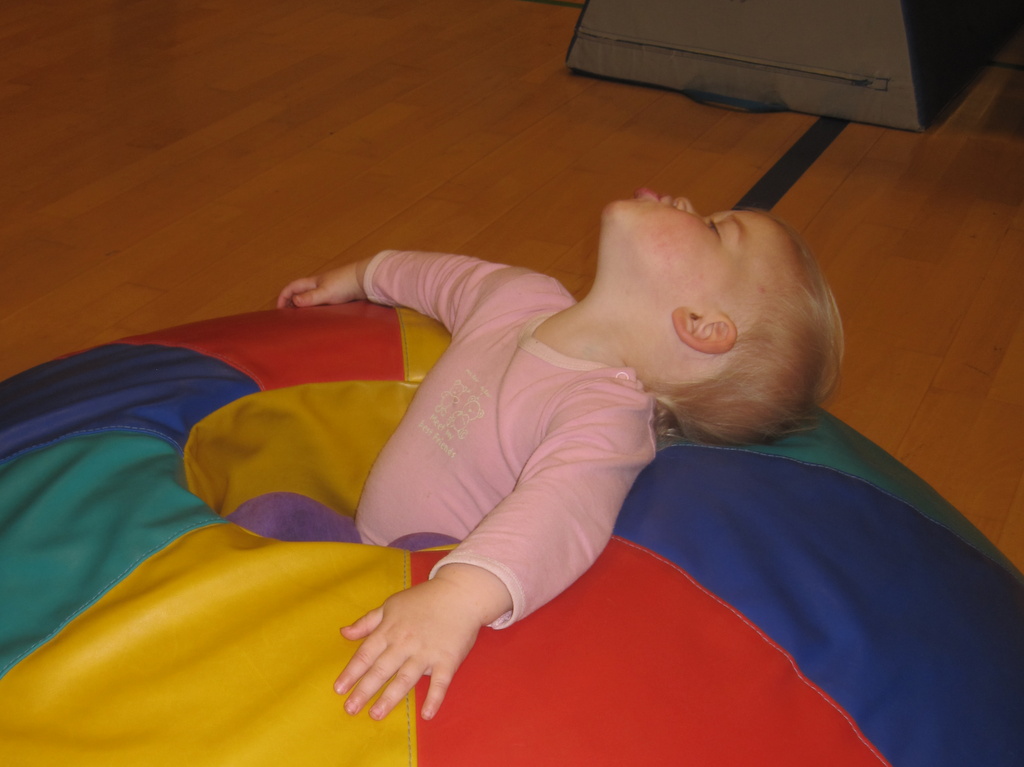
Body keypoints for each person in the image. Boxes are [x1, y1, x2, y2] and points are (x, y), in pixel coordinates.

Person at [274, 188, 843, 722]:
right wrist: (362, 276)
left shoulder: (604, 413)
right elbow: (440, 278)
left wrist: (456, 598)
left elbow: (563, 511)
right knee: (275, 513)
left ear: (700, 324)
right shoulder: (523, 296)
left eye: (715, 229)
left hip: (426, 577)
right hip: (356, 543)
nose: (686, 201)